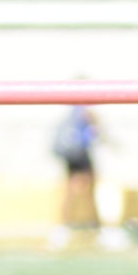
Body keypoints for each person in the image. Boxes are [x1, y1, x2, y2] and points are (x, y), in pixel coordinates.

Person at [50, 101, 100, 239]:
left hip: (72, 155)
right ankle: (93, 226)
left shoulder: (71, 112)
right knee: (88, 192)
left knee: (69, 193)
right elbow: (95, 132)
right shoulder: (86, 112)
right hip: (81, 155)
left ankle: (62, 227)